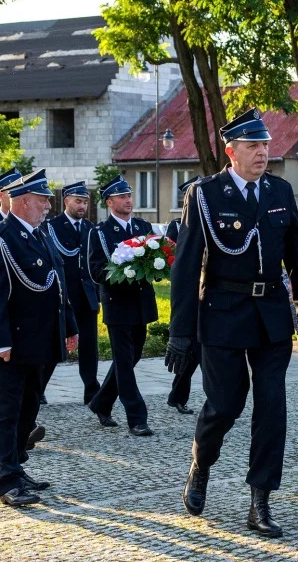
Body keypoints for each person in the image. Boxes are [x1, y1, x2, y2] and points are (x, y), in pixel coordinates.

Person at [166, 108, 298, 538]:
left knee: (272, 407)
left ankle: (260, 500)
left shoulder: (279, 191)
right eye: (253, 146)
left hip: (271, 312)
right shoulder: (205, 193)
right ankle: (202, 464)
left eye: (266, 145)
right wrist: (181, 331)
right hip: (223, 312)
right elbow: (186, 265)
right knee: (225, 405)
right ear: (230, 151)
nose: (263, 153)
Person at [0, 168, 78, 507]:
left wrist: (70, 328)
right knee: (6, 412)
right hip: (13, 342)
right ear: (20, 202)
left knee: (28, 408)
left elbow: (58, 284)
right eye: (41, 201)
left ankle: (17, 467)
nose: (47, 206)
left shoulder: (39, 234)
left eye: (48, 201)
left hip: (41, 339)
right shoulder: (0, 237)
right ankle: (6, 481)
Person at [86, 175, 158, 436]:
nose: (128, 200)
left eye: (129, 196)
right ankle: (136, 417)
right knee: (125, 363)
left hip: (141, 304)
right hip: (117, 305)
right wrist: (123, 274)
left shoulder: (142, 225)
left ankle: (101, 402)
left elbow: (154, 258)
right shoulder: (101, 233)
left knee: (132, 356)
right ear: (109, 201)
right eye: (122, 197)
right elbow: (95, 270)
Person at [40, 181, 100, 405]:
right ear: (66, 201)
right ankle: (39, 388)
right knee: (53, 346)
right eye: (78, 201)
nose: (82, 206)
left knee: (89, 348)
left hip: (86, 296)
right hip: (62, 296)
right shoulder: (51, 227)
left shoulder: (90, 229)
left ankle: (91, 390)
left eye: (85, 201)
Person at [164, 183, 201, 415]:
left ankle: (220, 398)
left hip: (210, 292)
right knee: (188, 350)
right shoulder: (177, 225)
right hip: (188, 294)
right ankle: (178, 395)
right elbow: (169, 256)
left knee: (201, 351)